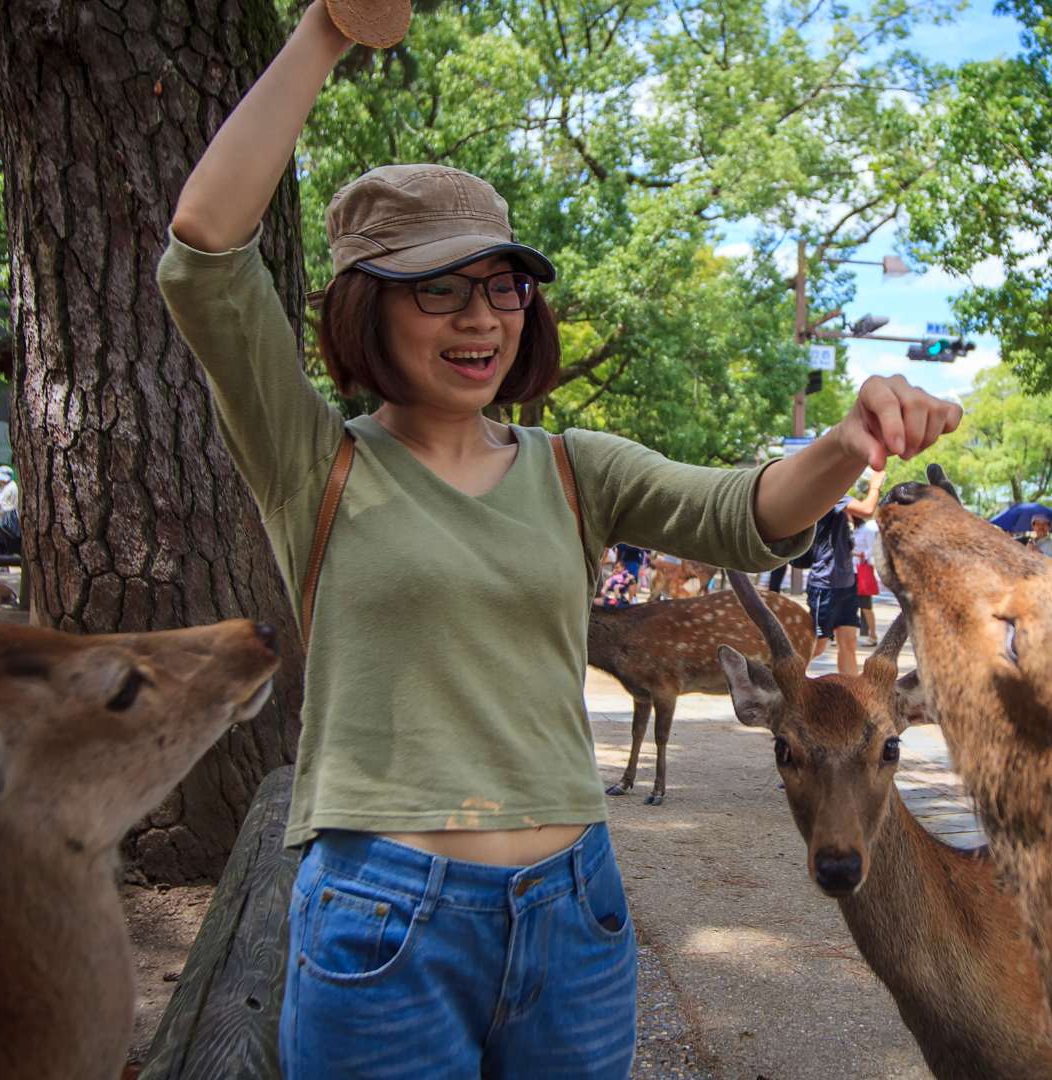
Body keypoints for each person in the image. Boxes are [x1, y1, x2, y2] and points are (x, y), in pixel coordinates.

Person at [158, 8, 959, 1075]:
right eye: (436, 288)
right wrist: (326, 33)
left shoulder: (573, 468)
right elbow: (207, 251)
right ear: (365, 310)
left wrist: (847, 442)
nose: (480, 317)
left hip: (573, 912)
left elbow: (742, 509)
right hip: (381, 923)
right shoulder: (317, 462)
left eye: (501, 286)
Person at [805, 470, 883, 676]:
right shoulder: (830, 495)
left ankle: (850, 698)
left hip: (847, 583)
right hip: (825, 585)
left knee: (848, 643)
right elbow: (867, 510)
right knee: (819, 646)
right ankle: (780, 681)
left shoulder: (837, 498)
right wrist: (876, 484)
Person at [851, 490, 882, 646]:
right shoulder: (854, 530)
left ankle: (873, 635)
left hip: (861, 570)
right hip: (851, 571)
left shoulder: (868, 529)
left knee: (865, 606)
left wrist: (857, 554)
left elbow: (871, 549)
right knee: (850, 604)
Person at [0, 465, 22, 557]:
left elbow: (6, 504)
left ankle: (4, 562)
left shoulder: (11, 487)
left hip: (8, 517)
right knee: (1, 542)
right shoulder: (5, 487)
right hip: (3, 517)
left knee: (7, 541)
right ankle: (2, 563)